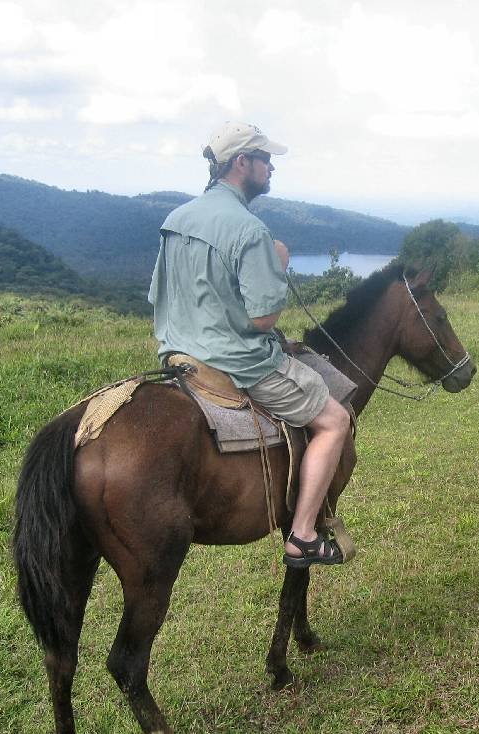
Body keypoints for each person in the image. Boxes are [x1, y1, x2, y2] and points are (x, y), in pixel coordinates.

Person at [148, 122, 351, 568]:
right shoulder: (250, 230)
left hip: (180, 355)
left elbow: (157, 296)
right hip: (236, 362)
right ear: (242, 163)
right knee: (334, 420)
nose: (271, 167)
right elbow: (264, 318)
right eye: (265, 158)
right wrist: (277, 262)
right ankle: (302, 536)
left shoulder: (175, 220)